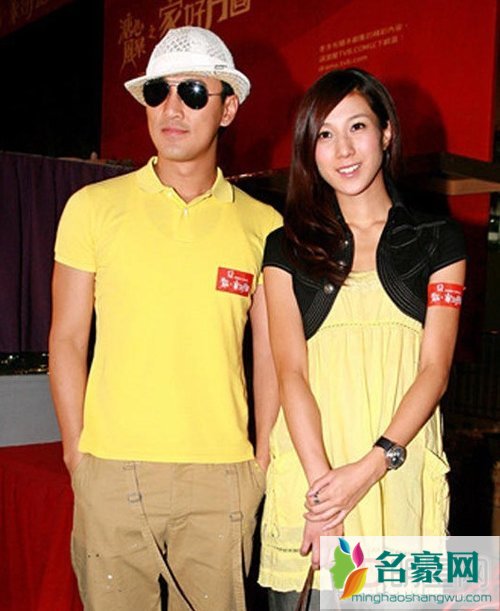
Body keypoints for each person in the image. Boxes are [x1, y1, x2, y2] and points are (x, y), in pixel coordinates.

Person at [48, 26, 281, 611]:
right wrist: (78, 455)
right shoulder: (91, 209)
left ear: (228, 108)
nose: (172, 109)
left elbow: (273, 355)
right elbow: (67, 339)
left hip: (223, 477)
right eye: (159, 91)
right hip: (111, 469)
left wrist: (261, 461)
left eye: (194, 93)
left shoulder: (263, 226)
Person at [258, 68, 466, 609]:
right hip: (315, 481)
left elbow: (434, 371)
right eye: (325, 134)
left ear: (386, 132)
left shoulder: (438, 242)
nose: (343, 149)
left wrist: (371, 467)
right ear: (310, 149)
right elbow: (290, 372)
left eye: (357, 127)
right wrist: (326, 497)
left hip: (394, 478)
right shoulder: (285, 247)